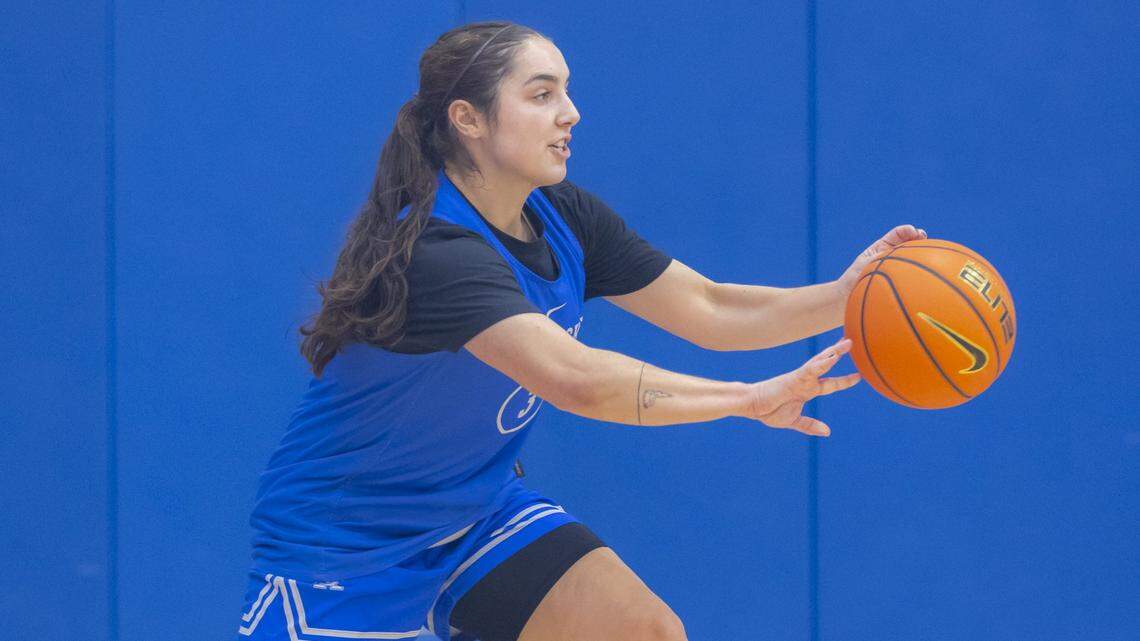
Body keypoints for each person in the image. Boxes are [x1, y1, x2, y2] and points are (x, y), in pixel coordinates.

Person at [234, 20, 926, 641]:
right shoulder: (437, 252)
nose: (570, 113)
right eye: (541, 95)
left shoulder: (563, 216)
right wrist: (747, 398)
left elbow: (711, 307)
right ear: (468, 119)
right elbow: (576, 379)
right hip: (347, 548)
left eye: (566, 91)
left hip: (475, 512)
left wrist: (847, 297)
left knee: (645, 632)